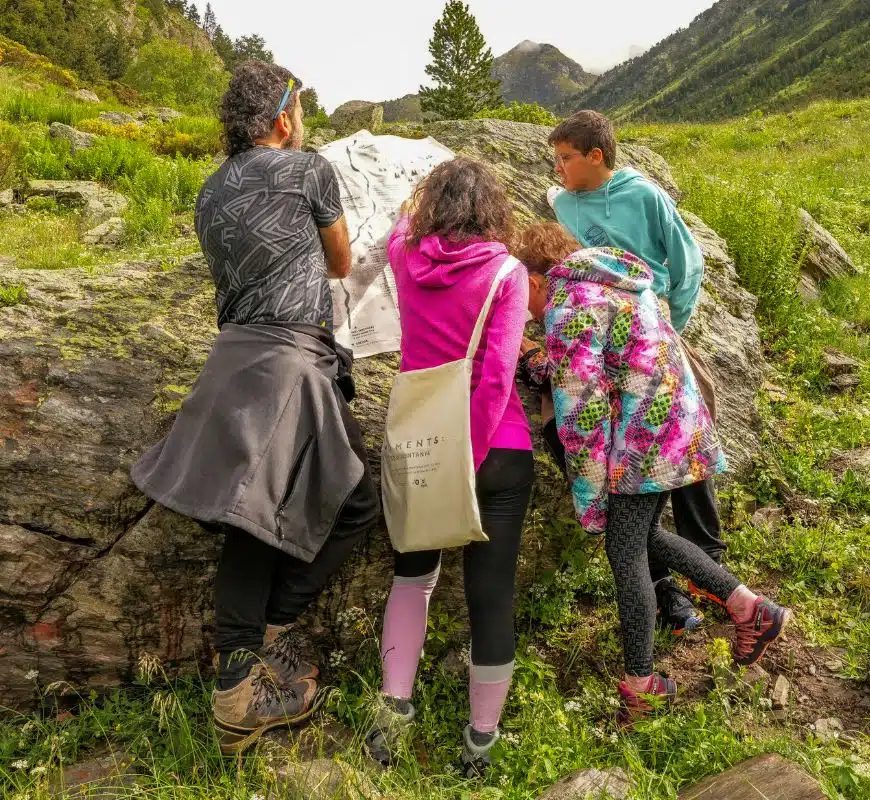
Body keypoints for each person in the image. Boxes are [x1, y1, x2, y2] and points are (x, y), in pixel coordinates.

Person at [130, 61, 378, 755]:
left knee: (250, 513)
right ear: (282, 117)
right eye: (296, 111)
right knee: (346, 501)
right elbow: (337, 262)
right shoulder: (310, 170)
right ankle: (245, 682)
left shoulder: (210, 191)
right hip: (291, 362)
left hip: (234, 356)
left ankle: (253, 660)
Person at [514, 223, 791, 721]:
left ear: (535, 280)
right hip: (675, 428)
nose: (524, 308)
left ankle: (642, 684)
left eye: (521, 291)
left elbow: (581, 411)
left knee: (626, 553)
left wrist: (590, 491)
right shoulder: (612, 284)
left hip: (643, 443)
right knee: (646, 540)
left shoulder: (567, 307)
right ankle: (752, 608)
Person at [366, 158, 533, 778]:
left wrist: (418, 207)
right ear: (494, 210)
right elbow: (496, 377)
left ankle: (392, 717)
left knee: (412, 580)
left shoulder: (404, 259)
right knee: (490, 596)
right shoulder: (507, 274)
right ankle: (480, 744)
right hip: (498, 451)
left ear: (432, 205)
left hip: (419, 445)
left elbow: (397, 226)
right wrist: (474, 452)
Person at [543, 109, 726, 634]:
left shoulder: (643, 196)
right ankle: (665, 587)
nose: (558, 169)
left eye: (565, 158)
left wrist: (673, 321)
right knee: (625, 455)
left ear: (595, 156)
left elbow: (687, 261)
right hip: (605, 340)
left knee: (683, 436)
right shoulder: (563, 206)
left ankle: (708, 561)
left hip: (653, 328)